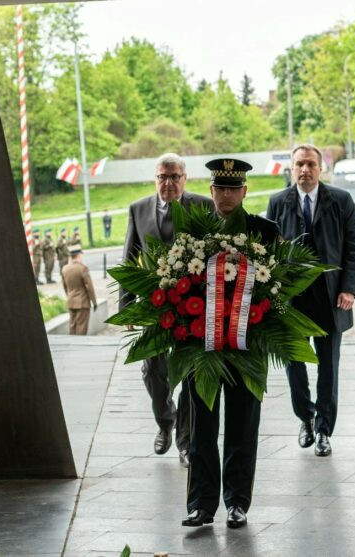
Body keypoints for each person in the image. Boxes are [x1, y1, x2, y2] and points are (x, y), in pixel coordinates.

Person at [182, 158, 279, 530]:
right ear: (210, 191)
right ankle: (202, 505)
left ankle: (237, 502)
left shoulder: (265, 232)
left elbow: (280, 286)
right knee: (202, 428)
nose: (226, 195)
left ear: (244, 191)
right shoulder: (192, 232)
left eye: (232, 188)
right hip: (201, 346)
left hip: (245, 345)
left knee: (242, 425)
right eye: (219, 188)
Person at [266, 144, 355, 458]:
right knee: (294, 364)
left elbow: (353, 246)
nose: (304, 170)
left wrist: (348, 288)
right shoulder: (278, 202)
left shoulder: (340, 200)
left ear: (321, 168)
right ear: (291, 169)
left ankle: (323, 430)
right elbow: (268, 251)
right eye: (298, 165)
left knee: (328, 367)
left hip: (330, 298)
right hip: (292, 300)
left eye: (310, 164)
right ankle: (305, 417)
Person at [123, 152, 213, 467]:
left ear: (184, 179)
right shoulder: (138, 210)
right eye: (163, 176)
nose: (169, 182)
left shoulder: (202, 205)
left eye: (175, 176)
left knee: (189, 375)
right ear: (155, 178)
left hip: (193, 307)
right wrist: (126, 310)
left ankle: (185, 442)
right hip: (154, 308)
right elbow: (129, 260)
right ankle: (165, 420)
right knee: (152, 371)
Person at [60, 244, 96, 335]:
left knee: (72, 326)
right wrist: (94, 302)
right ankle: (80, 347)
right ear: (79, 255)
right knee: (81, 327)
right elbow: (90, 287)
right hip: (82, 302)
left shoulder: (65, 268)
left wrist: (69, 296)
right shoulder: (82, 268)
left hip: (71, 301)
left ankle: (71, 346)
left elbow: (65, 286)